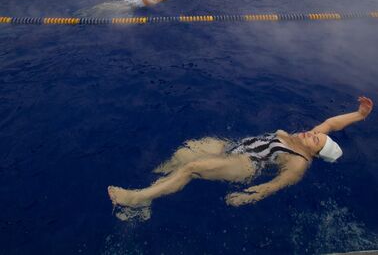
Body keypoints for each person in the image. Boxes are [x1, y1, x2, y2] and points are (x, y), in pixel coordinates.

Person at [108, 96, 373, 212]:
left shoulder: (299, 162)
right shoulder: (303, 139)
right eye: (316, 133)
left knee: (193, 167)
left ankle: (138, 199)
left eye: (316, 139)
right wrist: (360, 115)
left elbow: (275, 185)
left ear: (315, 153)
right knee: (185, 151)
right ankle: (154, 187)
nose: (312, 134)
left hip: (247, 164)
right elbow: (331, 123)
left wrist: (249, 197)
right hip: (233, 146)